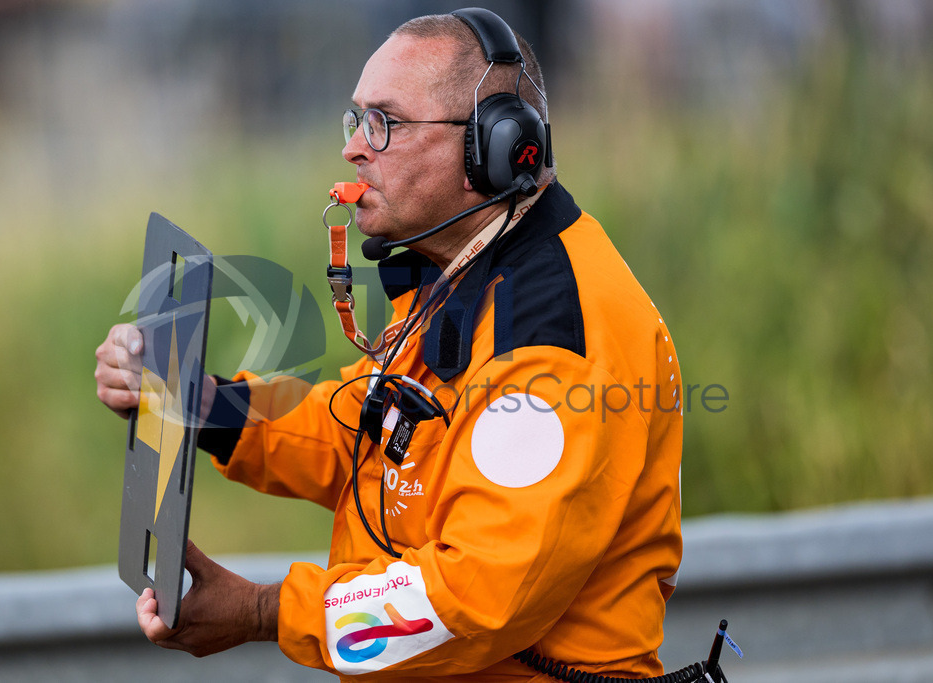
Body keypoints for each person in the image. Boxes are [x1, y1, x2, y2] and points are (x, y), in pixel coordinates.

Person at [95, 8, 684, 681]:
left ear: (490, 149)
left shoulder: (549, 341)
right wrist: (205, 403)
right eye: (355, 119)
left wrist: (267, 612)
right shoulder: (461, 271)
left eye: (386, 123)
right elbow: (372, 432)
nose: (353, 147)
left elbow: (475, 596)